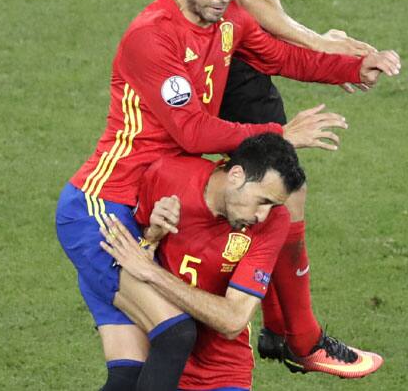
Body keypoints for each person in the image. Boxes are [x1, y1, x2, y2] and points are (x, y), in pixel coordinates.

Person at [56, 0, 400, 389]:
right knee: (175, 336)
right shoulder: (152, 37)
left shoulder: (229, 20)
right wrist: (280, 133)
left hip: (155, 202)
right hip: (105, 205)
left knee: (129, 375)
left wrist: (354, 65)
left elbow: (280, 57)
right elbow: (193, 131)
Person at [165, 0, 400, 374]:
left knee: (261, 177)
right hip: (211, 35)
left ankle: (276, 327)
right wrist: (322, 44)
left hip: (202, 27)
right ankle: (296, 336)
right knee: (277, 184)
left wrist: (325, 53)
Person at [99, 133, 383, 391]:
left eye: (272, 205)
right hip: (157, 357)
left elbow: (233, 320)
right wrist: (152, 235)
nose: (263, 215)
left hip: (221, 374)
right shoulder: (167, 176)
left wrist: (152, 273)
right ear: (235, 175)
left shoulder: (272, 223)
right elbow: (130, 254)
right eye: (262, 200)